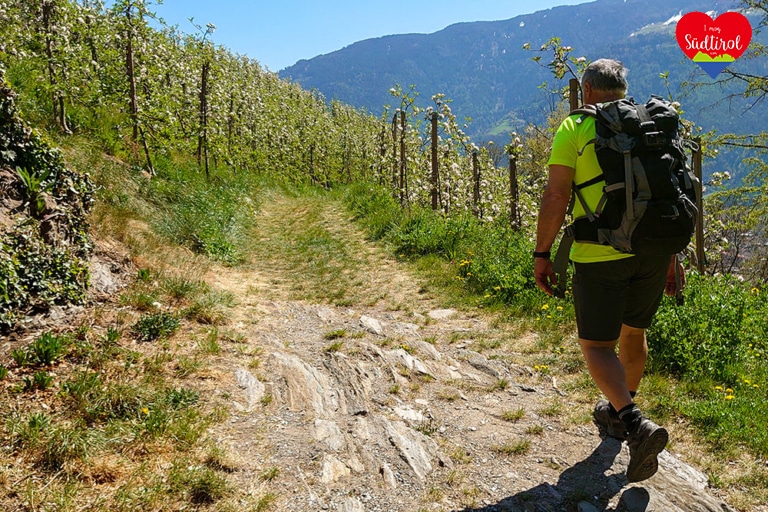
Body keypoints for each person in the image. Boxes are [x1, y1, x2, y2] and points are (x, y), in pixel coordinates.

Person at [533, 58, 684, 483]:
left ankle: (636, 426)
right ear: (622, 89)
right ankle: (619, 413)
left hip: (600, 254)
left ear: (586, 91)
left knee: (597, 347)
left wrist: (542, 254)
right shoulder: (651, 125)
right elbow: (668, 193)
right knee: (633, 334)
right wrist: (672, 257)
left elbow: (557, 193)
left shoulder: (575, 129)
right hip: (655, 250)